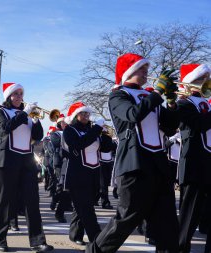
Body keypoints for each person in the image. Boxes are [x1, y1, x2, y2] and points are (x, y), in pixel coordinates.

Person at [87, 53, 180, 253]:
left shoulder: (148, 96)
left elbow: (171, 127)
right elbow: (132, 115)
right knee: (127, 218)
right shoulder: (118, 95)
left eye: (147, 69)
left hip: (158, 165)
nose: (146, 72)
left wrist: (171, 102)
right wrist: (156, 93)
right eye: (141, 69)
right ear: (128, 73)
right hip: (134, 165)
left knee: (168, 224)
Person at [0, 82, 53, 252]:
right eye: (15, 94)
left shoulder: (26, 114)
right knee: (5, 201)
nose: (19, 97)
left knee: (32, 201)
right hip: (5, 160)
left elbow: (38, 137)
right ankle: (1, 239)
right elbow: (4, 129)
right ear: (8, 97)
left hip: (26, 161)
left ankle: (38, 241)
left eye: (20, 93)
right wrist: (24, 113)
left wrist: (35, 120)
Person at [176, 63, 211, 253]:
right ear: (188, 82)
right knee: (189, 215)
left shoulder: (206, 103)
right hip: (194, 165)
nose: (204, 82)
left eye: (205, 78)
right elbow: (198, 124)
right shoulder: (183, 103)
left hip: (208, 163)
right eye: (199, 79)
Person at [63, 102, 103, 245]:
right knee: (86, 208)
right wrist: (97, 129)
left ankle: (75, 234)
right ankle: (97, 239)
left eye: (87, 113)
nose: (86, 116)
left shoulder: (92, 130)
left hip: (94, 174)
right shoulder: (69, 130)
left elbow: (107, 147)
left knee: (82, 206)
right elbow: (79, 145)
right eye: (83, 113)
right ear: (75, 116)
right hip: (77, 175)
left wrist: (105, 134)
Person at [49, 114, 72, 223]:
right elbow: (57, 144)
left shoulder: (72, 130)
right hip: (61, 162)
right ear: (59, 123)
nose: (65, 124)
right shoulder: (55, 134)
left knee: (70, 188)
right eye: (63, 122)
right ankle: (56, 201)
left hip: (75, 160)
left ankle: (67, 205)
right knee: (61, 185)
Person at [99, 127, 117, 209]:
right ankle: (105, 202)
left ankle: (101, 200)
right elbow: (106, 147)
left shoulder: (108, 138)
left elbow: (114, 148)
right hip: (100, 161)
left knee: (104, 184)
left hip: (108, 161)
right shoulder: (101, 138)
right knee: (103, 184)